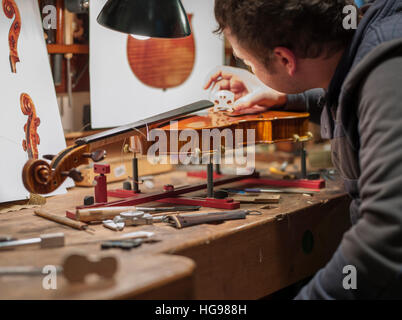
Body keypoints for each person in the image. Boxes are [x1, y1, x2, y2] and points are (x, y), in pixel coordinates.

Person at [205, 0, 402, 299]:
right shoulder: (366, 44)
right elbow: (350, 97)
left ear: (285, 59)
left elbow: (388, 233)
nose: (249, 69)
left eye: (248, 63)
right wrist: (285, 97)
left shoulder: (387, 71)